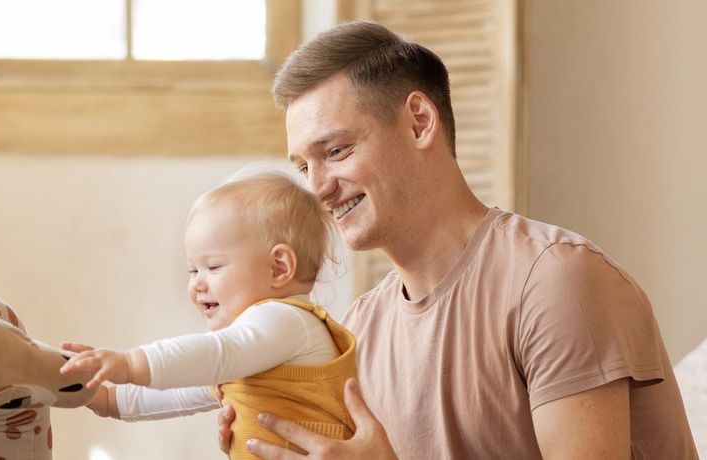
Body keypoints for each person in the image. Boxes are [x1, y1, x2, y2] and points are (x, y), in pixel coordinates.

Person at [218, 21, 698, 459]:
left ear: (419, 122)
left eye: (337, 151)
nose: (318, 188)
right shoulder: (359, 330)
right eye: (303, 167)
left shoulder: (554, 282)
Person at [59, 170, 357, 459]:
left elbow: (217, 353)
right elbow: (180, 393)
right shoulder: (255, 353)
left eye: (213, 266)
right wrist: (106, 399)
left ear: (278, 267)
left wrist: (129, 363)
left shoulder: (287, 321)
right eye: (193, 270)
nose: (197, 283)